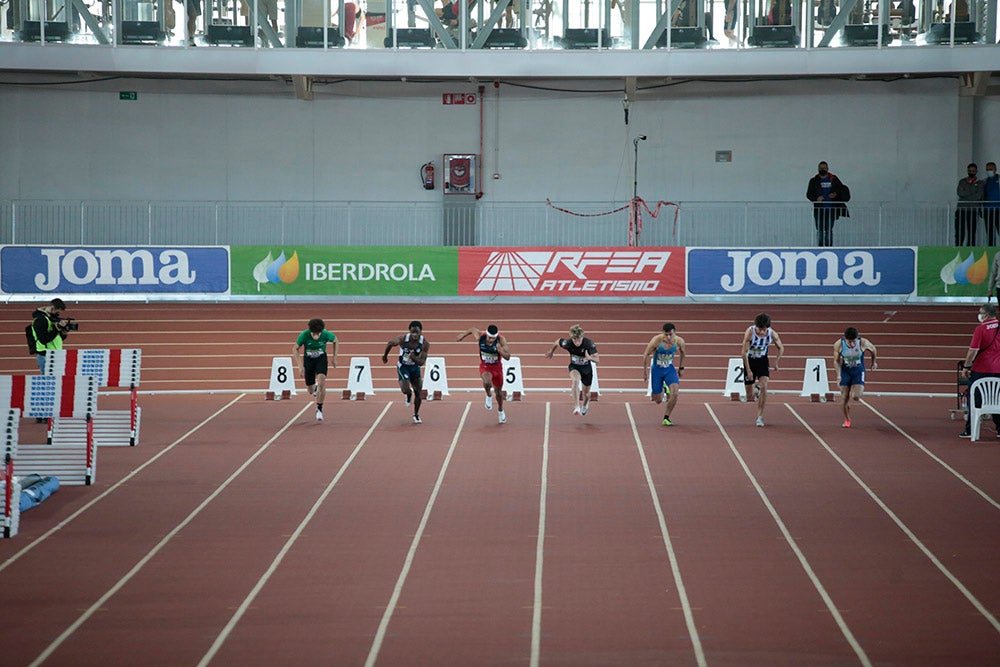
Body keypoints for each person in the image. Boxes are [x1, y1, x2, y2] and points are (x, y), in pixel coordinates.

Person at [456, 324, 511, 424]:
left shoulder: (501, 340)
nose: (491, 340)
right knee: (487, 381)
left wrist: (500, 350)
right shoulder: (480, 337)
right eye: (489, 338)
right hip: (485, 366)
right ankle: (488, 395)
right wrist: (463, 335)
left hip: (497, 368)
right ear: (486, 334)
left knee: (499, 393)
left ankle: (500, 410)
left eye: (493, 338)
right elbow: (472, 329)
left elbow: (508, 357)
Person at [960, 303, 1000, 438]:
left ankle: (971, 430)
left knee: (976, 399)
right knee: (997, 398)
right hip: (998, 369)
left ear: (987, 315)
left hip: (981, 370)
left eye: (980, 312)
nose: (979, 315)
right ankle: (999, 428)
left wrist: (966, 366)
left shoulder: (980, 329)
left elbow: (973, 350)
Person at [545, 324, 600, 416]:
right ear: (571, 338)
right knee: (575, 382)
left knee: (586, 395)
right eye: (574, 340)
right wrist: (551, 351)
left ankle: (585, 405)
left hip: (586, 369)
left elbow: (597, 359)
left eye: (579, 339)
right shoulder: (568, 343)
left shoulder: (589, 344)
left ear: (582, 336)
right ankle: (577, 406)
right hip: (574, 367)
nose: (577, 342)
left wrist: (589, 357)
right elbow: (557, 342)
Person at [741, 312, 784, 427]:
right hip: (749, 361)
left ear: (767, 328)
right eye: (759, 329)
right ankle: (755, 391)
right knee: (749, 396)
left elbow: (781, 348)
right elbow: (743, 353)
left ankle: (760, 416)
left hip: (762, 361)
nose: (760, 331)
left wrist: (776, 362)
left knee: (764, 386)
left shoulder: (772, 334)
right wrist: (749, 371)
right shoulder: (750, 332)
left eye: (763, 329)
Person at [383, 320, 429, 424]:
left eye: (417, 333)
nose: (415, 335)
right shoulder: (403, 339)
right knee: (405, 389)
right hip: (403, 366)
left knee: (419, 392)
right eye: (413, 332)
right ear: (409, 331)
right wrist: (385, 356)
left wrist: (413, 357)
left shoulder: (425, 344)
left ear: (421, 332)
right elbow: (390, 343)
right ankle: (408, 394)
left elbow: (422, 362)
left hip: (415, 368)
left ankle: (416, 415)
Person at [641, 322, 686, 426]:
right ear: (662, 333)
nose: (668, 337)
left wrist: (681, 368)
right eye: (666, 334)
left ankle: (666, 417)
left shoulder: (679, 342)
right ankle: (664, 388)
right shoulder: (656, 341)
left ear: (675, 333)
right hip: (657, 370)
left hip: (669, 369)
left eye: (671, 334)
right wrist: (645, 372)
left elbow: (683, 353)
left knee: (675, 393)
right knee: (657, 400)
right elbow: (645, 355)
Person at [294, 318, 338, 422]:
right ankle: (315, 389)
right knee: (310, 390)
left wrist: (334, 357)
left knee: (322, 381)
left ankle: (319, 408)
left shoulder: (326, 334)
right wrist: (300, 366)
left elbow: (336, 340)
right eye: (314, 334)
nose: (316, 336)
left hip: (321, 358)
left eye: (318, 334)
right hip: (308, 360)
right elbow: (295, 348)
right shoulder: (304, 335)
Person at [832, 327, 877, 428]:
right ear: (845, 339)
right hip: (845, 372)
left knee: (856, 397)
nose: (852, 344)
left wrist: (874, 362)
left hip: (858, 371)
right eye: (849, 342)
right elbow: (836, 361)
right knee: (844, 398)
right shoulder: (839, 344)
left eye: (854, 341)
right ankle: (847, 419)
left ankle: (854, 387)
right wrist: (838, 375)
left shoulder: (863, 343)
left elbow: (873, 349)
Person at [806, 161, 846, 247]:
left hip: (831, 209)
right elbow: (809, 194)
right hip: (819, 209)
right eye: (820, 168)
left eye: (824, 168)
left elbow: (841, 189)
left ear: (827, 169)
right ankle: (820, 247)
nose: (822, 169)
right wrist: (816, 199)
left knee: (828, 229)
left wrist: (835, 194)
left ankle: (829, 247)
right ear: (818, 169)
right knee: (819, 229)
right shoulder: (814, 180)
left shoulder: (834, 179)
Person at [29, 298, 71, 374]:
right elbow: (43, 339)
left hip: (56, 354)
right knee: (48, 382)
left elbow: (56, 337)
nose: (58, 314)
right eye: (57, 312)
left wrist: (63, 333)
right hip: (46, 355)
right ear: (53, 308)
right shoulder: (40, 320)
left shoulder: (52, 318)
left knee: (58, 380)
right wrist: (56, 329)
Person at [955, 162, 984, 247]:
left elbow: (979, 195)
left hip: (973, 210)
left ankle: (970, 248)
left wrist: (966, 194)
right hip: (961, 210)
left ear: (976, 171)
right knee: (960, 231)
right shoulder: (962, 181)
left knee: (972, 232)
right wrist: (972, 193)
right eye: (970, 171)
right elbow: (960, 193)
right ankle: (958, 247)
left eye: (973, 171)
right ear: (967, 171)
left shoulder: (980, 183)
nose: (971, 172)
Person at [983, 161, 1000, 246]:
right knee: (989, 232)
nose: (988, 171)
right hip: (988, 210)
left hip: (998, 209)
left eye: (990, 169)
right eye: (987, 169)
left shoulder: (999, 179)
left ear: (995, 169)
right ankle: (991, 248)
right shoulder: (985, 181)